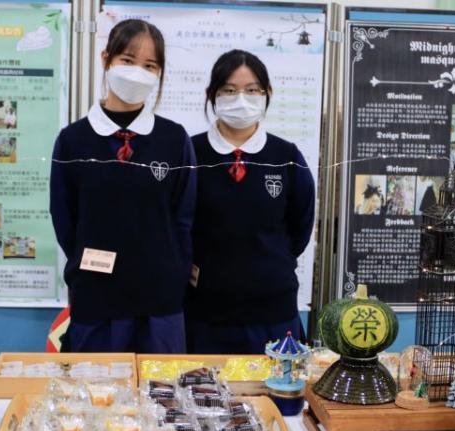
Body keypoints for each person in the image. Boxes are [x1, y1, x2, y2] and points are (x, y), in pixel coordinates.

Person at [50, 19, 196, 353]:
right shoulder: (73, 140)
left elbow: (184, 217)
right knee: (97, 396)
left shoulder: (174, 139)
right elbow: (64, 218)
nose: (137, 73)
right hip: (96, 296)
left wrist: (172, 273)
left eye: (150, 66)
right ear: (106, 60)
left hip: (160, 302)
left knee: (163, 397)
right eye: (128, 61)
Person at [185, 50, 314, 354]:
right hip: (204, 314)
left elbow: (300, 229)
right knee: (203, 399)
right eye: (229, 90)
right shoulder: (190, 153)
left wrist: (264, 266)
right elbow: (178, 226)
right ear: (211, 95)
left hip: (272, 311)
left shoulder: (287, 157)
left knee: (275, 398)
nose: (240, 98)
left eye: (252, 90)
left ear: (267, 94)